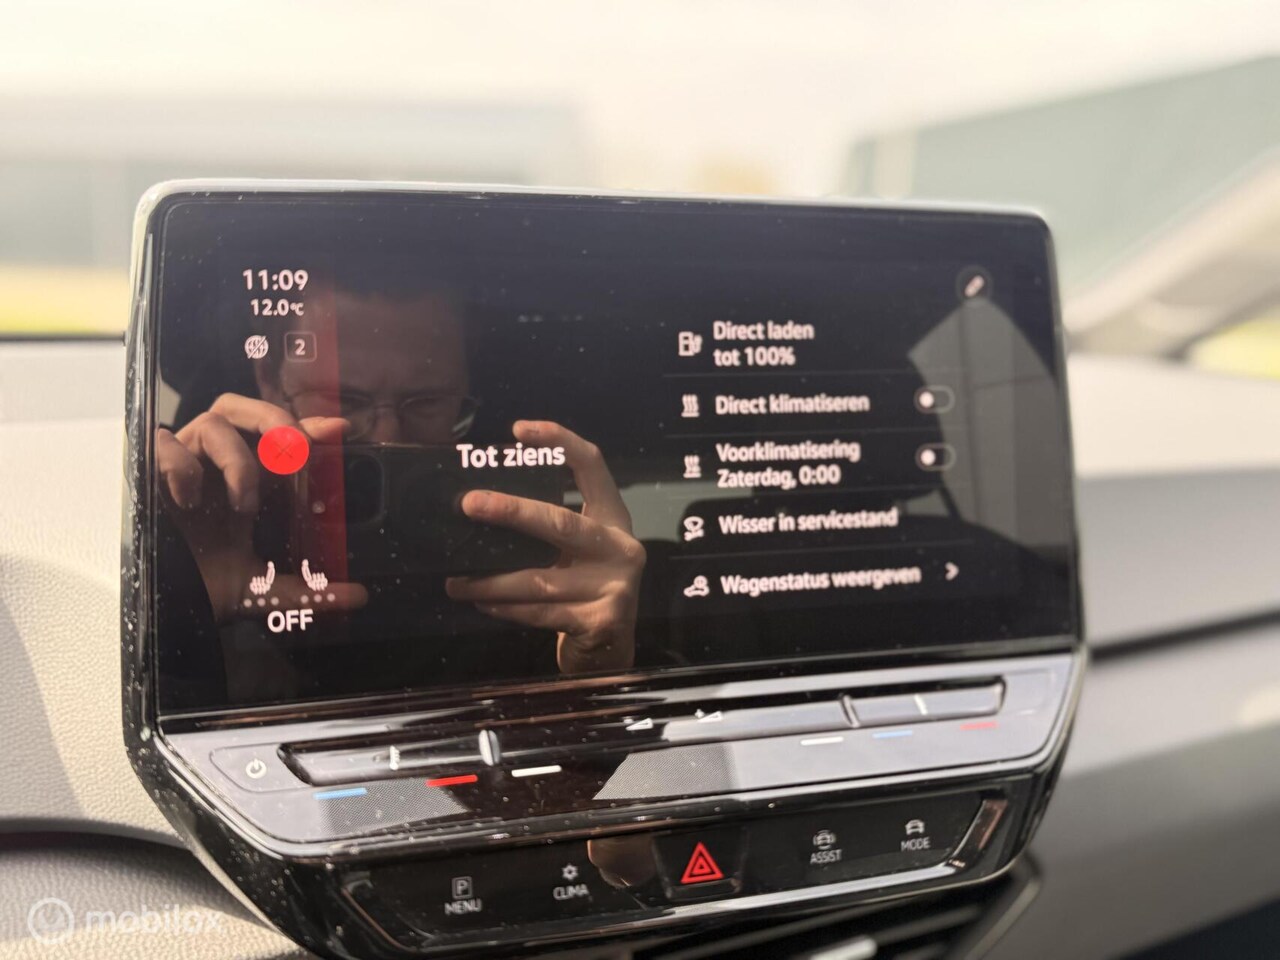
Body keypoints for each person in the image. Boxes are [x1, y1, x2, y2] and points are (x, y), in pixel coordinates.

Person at [155, 277, 644, 692]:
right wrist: (179, 587)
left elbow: (589, 755)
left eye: (426, 401)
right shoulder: (204, 521)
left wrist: (600, 661)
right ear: (267, 378)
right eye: (343, 398)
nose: (388, 436)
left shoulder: (538, 559)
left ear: (464, 392)